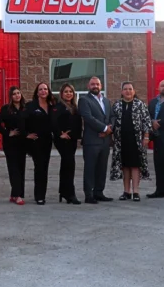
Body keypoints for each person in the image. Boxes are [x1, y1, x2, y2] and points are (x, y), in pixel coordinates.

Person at [110, 81, 152, 201]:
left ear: (134, 91)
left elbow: (146, 121)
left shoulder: (140, 104)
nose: (128, 91)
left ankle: (136, 192)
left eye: (130, 89)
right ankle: (126, 191)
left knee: (135, 166)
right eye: (125, 89)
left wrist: (146, 137)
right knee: (125, 166)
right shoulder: (117, 105)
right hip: (121, 141)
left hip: (136, 141)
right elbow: (112, 121)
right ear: (122, 91)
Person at [79, 76, 114, 204]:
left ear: (101, 86)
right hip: (91, 141)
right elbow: (88, 117)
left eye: (97, 84)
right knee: (90, 168)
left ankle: (99, 192)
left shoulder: (106, 101)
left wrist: (110, 129)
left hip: (105, 141)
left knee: (102, 168)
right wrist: (104, 128)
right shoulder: (84, 100)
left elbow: (112, 117)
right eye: (93, 84)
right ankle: (89, 195)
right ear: (88, 86)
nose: (95, 86)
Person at [0, 86, 28, 205]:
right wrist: (7, 133)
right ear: (10, 96)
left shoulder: (25, 108)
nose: (17, 95)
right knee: (14, 169)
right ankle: (17, 195)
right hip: (10, 144)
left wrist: (28, 134)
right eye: (14, 94)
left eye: (18, 93)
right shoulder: (6, 109)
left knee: (21, 168)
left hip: (22, 143)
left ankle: (15, 194)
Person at [24, 82, 56, 205]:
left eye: (45, 89)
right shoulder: (30, 106)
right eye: (41, 89)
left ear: (48, 92)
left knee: (44, 168)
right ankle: (39, 196)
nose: (43, 91)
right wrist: (26, 134)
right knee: (39, 167)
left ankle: (42, 194)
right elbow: (22, 121)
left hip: (47, 141)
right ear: (37, 92)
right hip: (35, 142)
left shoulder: (52, 106)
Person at [52, 84, 83, 204]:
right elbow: (53, 122)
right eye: (66, 91)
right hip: (63, 141)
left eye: (70, 91)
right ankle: (70, 194)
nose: (68, 93)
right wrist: (60, 134)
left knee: (67, 165)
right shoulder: (58, 107)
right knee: (69, 164)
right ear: (61, 94)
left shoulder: (74, 107)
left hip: (72, 140)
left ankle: (63, 192)